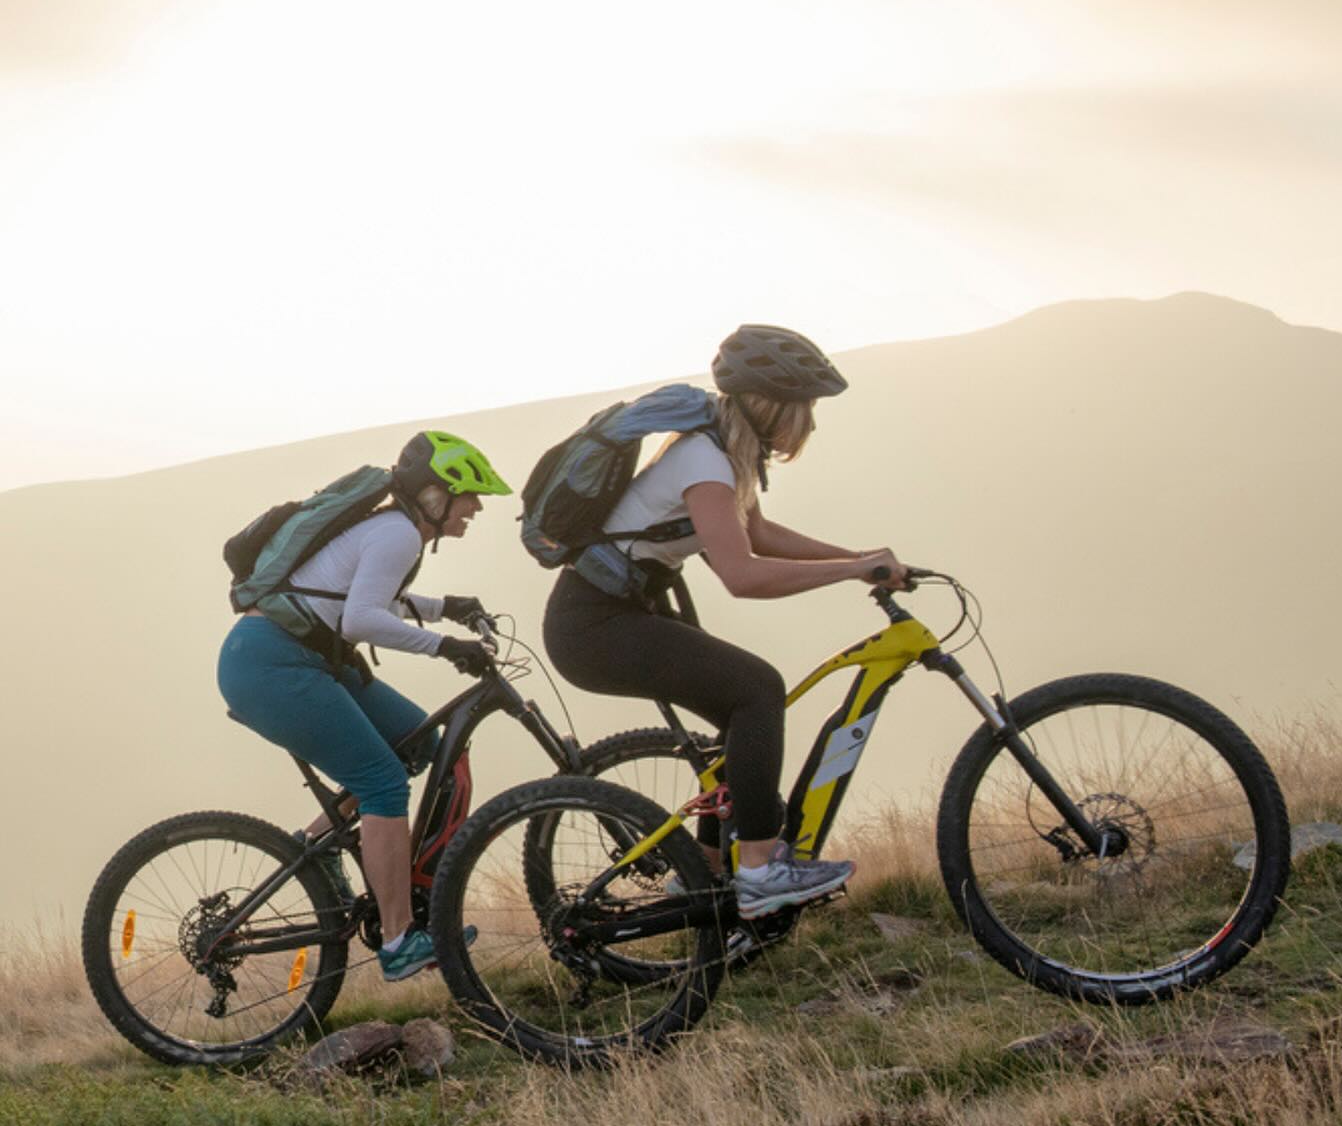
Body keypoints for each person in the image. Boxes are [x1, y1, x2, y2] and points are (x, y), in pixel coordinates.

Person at [543, 324, 911, 921]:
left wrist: (860, 558)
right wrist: (851, 570)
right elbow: (742, 575)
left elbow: (759, 534)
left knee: (736, 725)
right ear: (771, 405)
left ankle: (707, 875)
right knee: (757, 690)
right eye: (805, 406)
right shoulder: (705, 460)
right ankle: (762, 869)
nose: (809, 422)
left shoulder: (721, 454)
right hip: (593, 626)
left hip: (620, 613)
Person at [217, 431, 511, 980]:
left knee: (419, 742)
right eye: (468, 495)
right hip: (271, 665)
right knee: (383, 783)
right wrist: (446, 647)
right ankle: (399, 941)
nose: (475, 508)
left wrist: (450, 607)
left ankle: (316, 845)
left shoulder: (395, 530)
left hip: (300, 660)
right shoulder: (397, 532)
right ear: (434, 494)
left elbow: (362, 597)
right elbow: (361, 620)